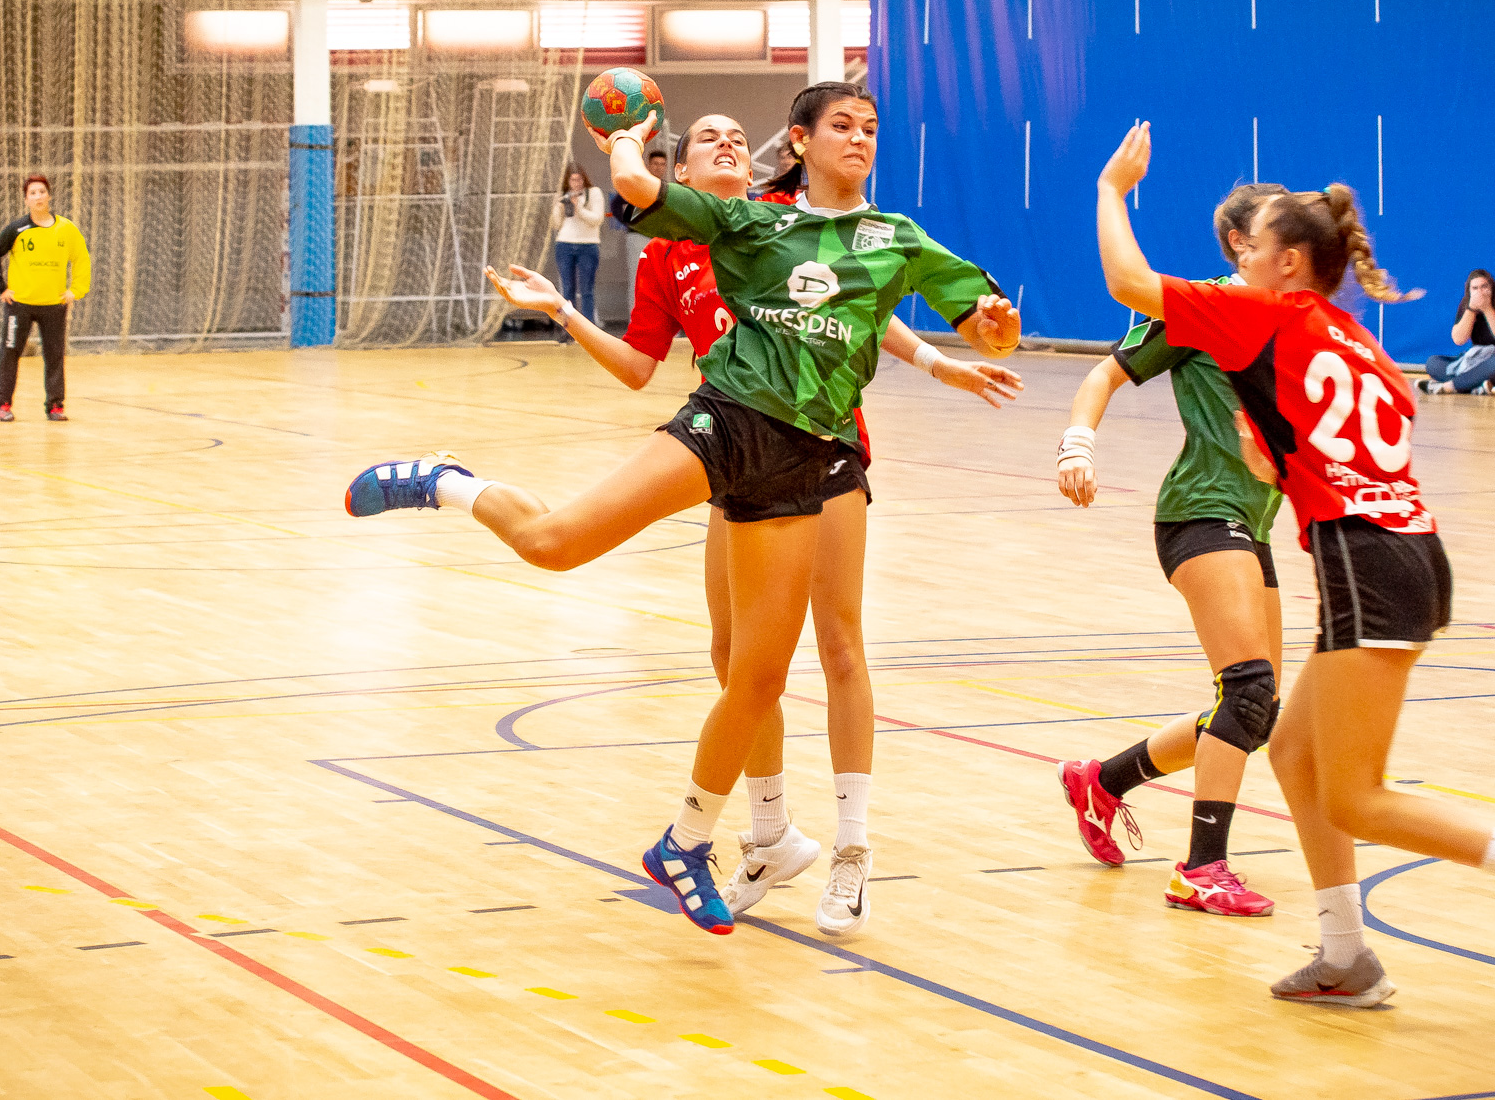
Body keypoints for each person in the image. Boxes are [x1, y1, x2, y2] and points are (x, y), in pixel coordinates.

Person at [344, 81, 1022, 938]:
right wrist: (627, 138)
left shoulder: (897, 240)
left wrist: (987, 334)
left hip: (813, 460)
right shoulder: (748, 223)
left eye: (871, 127)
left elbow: (986, 327)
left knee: (759, 677)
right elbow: (638, 207)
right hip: (728, 421)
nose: (860, 137)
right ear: (803, 144)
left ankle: (690, 840)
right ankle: (446, 481)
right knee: (559, 547)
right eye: (841, 126)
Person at [1095, 121, 1495, 1006]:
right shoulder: (1356, 339)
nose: (1238, 258)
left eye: (1250, 247)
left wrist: (1112, 190)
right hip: (1402, 548)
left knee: (1357, 794)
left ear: (1288, 261)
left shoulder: (1264, 314)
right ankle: (1346, 955)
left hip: (1368, 560)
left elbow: (1128, 284)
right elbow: (1381, 418)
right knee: (1292, 747)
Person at [1054, 183, 1287, 918]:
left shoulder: (1293, 315)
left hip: (1255, 520)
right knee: (1246, 689)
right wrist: (1077, 445)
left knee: (1257, 709)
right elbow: (1106, 372)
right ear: (1244, 242)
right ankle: (1202, 868)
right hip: (1200, 514)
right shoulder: (1205, 305)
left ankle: (1104, 781)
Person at [0, 174, 90, 423]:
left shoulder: (66, 229)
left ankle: (55, 406)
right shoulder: (17, 229)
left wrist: (75, 290)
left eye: (41, 191)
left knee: (54, 355)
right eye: (32, 193)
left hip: (53, 305)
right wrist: (1, 288)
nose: (38, 196)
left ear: (49, 195)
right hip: (19, 304)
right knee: (10, 353)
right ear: (26, 199)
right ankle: (3, 404)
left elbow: (81, 259)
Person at [1419, 271, 1495, 394]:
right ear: (1469, 290)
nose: (1480, 292)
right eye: (1475, 288)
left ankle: (1448, 387)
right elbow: (1459, 340)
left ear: (1492, 287)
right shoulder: (1466, 303)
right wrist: (1471, 310)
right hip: (1475, 359)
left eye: (1484, 287)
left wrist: (1487, 309)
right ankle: (1475, 385)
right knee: (1433, 363)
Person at [552, 162, 605, 334]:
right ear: (567, 182)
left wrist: (578, 208)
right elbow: (556, 224)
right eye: (573, 180)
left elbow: (597, 219)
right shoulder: (563, 194)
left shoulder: (593, 193)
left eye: (579, 179)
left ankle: (588, 330)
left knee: (587, 289)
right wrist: (559, 206)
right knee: (567, 289)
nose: (576, 184)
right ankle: (568, 329)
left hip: (588, 244)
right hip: (565, 244)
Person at [621, 150, 670, 323]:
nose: (658, 167)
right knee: (637, 280)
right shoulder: (637, 184)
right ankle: (636, 323)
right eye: (655, 164)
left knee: (664, 282)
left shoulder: (668, 189)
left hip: (661, 240)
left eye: (662, 164)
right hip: (638, 238)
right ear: (649, 164)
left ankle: (663, 323)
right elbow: (620, 207)